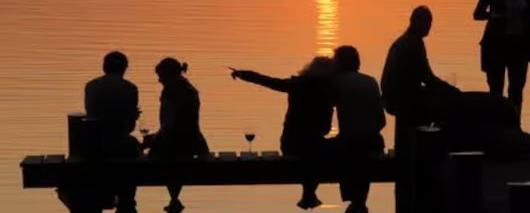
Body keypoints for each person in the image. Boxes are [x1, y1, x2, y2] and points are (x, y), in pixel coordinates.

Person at [231, 56, 337, 210]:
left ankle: (308, 193)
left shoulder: (296, 84)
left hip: (290, 143)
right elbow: (326, 129)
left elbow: (267, 81)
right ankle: (309, 193)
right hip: (314, 147)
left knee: (309, 149)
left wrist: (243, 74)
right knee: (316, 149)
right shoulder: (327, 92)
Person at [380, 5, 458, 213]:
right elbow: (427, 78)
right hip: (400, 98)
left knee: (435, 100)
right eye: (425, 23)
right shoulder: (411, 44)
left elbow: (424, 78)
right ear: (414, 22)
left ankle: (425, 149)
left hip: (399, 95)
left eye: (430, 23)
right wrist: (450, 91)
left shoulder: (409, 41)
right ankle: (434, 155)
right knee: (444, 107)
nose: (428, 27)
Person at [142, 58, 209, 213]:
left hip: (174, 145)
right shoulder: (189, 88)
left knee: (139, 156)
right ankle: (174, 199)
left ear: (168, 75)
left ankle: (172, 200)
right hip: (195, 143)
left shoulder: (171, 90)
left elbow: (170, 127)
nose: (159, 80)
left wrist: (152, 140)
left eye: (161, 76)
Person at [331, 45, 386, 213]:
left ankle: (354, 202)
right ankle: (358, 203)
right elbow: (381, 122)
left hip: (350, 146)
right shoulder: (371, 81)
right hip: (373, 143)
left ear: (340, 63)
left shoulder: (337, 83)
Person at [84, 50, 140, 213]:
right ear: (125, 68)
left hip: (96, 146)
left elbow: (91, 117)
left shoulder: (91, 86)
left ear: (104, 67)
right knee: (133, 146)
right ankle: (126, 199)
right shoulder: (131, 89)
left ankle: (104, 193)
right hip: (121, 145)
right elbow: (129, 127)